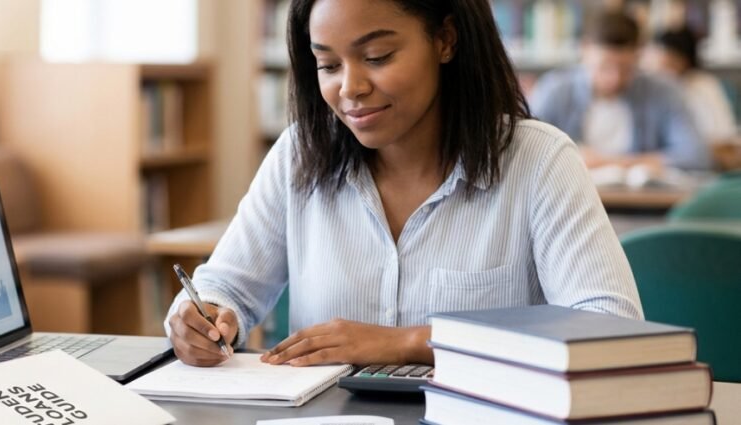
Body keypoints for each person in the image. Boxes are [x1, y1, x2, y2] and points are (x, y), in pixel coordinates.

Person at [165, 0, 643, 368]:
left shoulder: (538, 160)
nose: (349, 88)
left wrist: (413, 342)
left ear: (446, 40)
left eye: (377, 56)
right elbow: (227, 286)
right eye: (328, 66)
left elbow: (612, 329)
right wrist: (205, 315)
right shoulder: (300, 153)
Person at [530, 12, 711, 171]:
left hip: (643, 204)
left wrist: (611, 163)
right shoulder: (554, 90)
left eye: (625, 68)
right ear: (584, 50)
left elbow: (697, 156)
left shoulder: (664, 91)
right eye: (604, 67)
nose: (614, 78)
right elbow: (528, 150)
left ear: (639, 55)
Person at [647, 27, 738, 147]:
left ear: (686, 60)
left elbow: (723, 135)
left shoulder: (703, 85)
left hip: (700, 154)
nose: (665, 70)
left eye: (672, 62)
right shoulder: (650, 87)